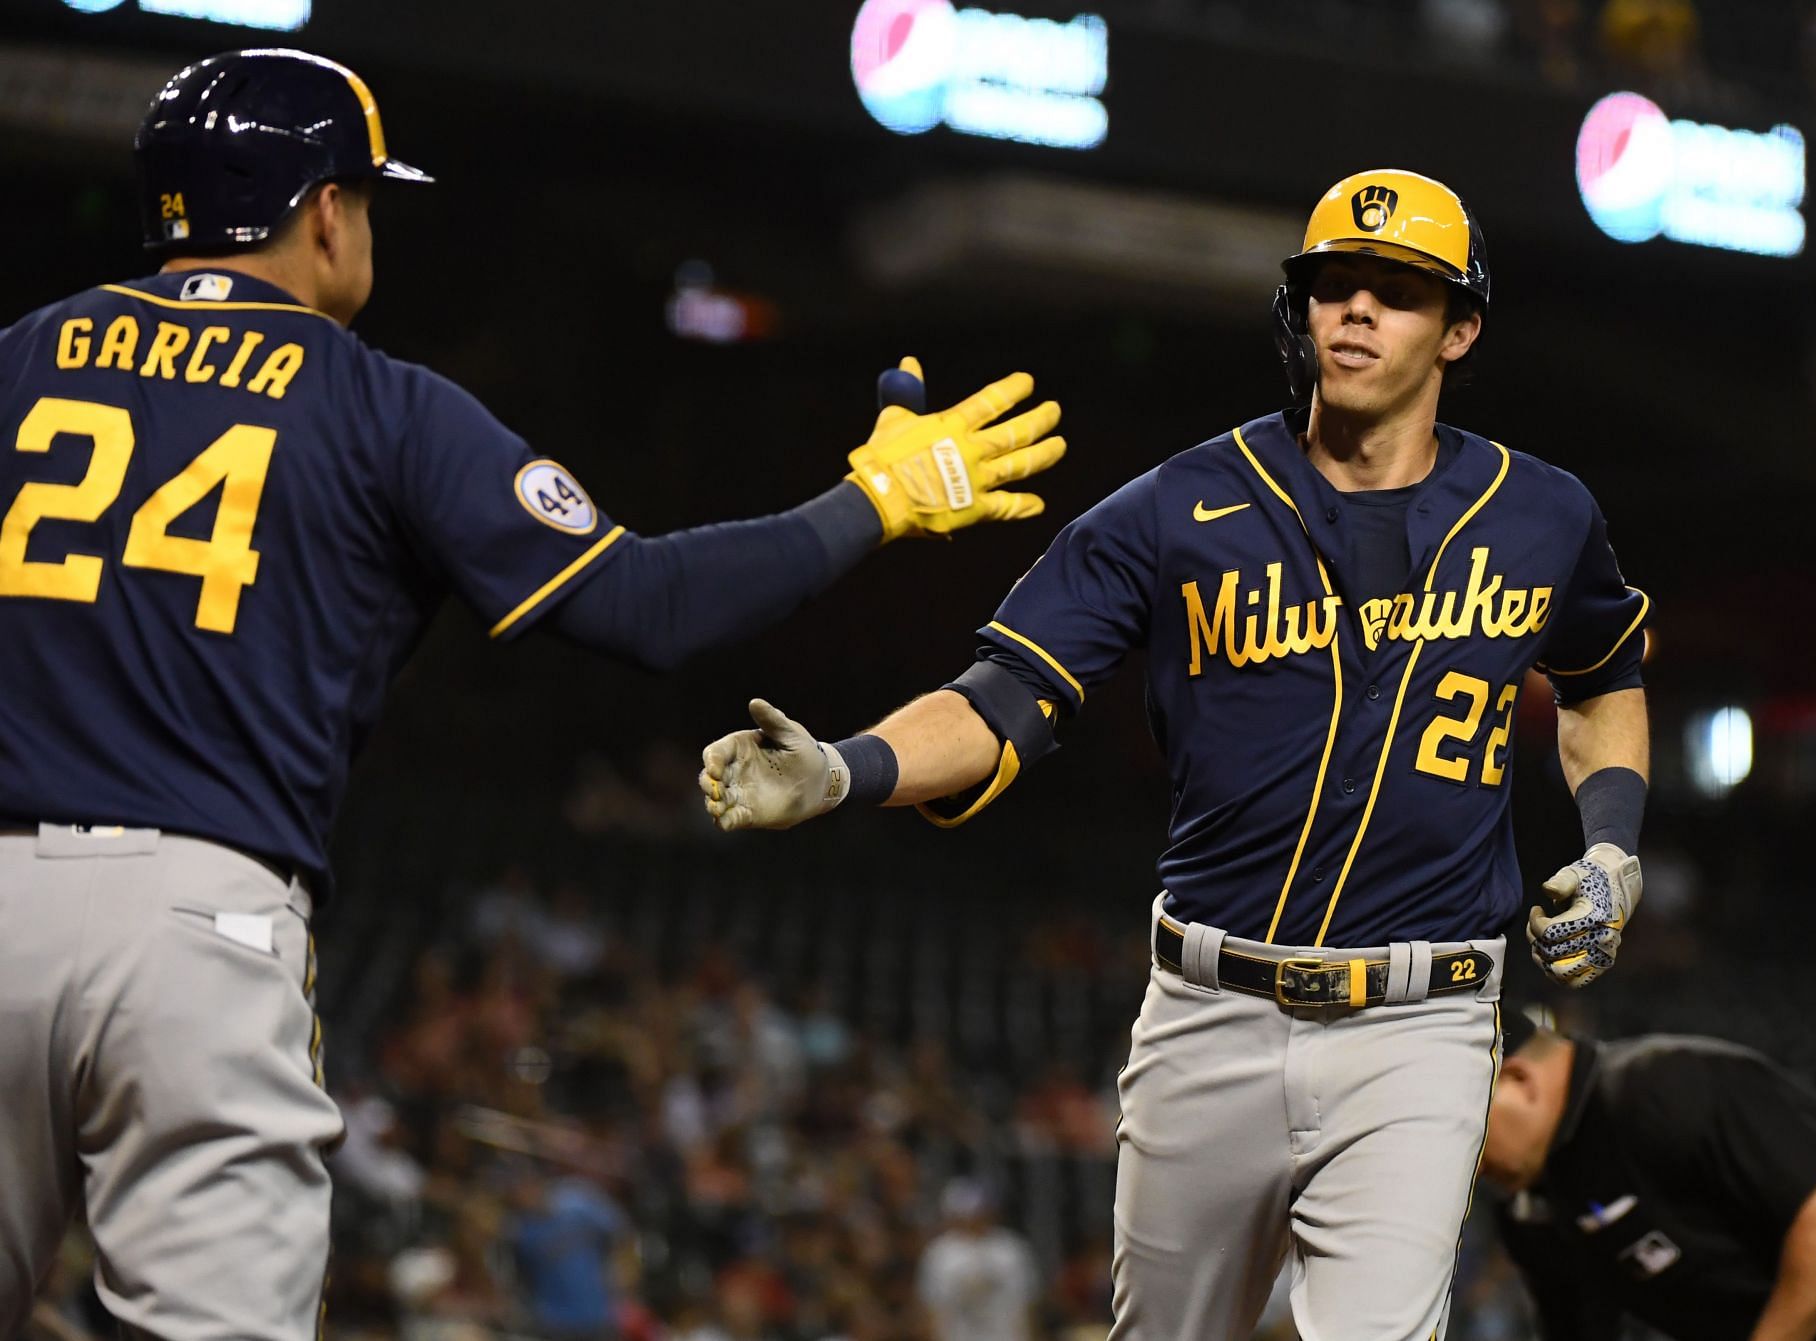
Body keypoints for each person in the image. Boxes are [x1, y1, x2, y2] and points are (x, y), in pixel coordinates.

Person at [0, 48, 1065, 1340]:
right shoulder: (381, 405)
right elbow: (651, 607)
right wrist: (874, 501)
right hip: (193, 927)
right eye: (366, 198)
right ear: (325, 209)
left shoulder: (22, 358)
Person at [700, 168, 1652, 1339]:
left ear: (1459, 329)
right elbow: (1005, 695)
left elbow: (1606, 676)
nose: (1355, 311)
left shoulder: (1542, 514)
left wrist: (1612, 848)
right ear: (1298, 310)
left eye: (1396, 292)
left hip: (1423, 1020)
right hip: (1212, 1011)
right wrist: (851, 766)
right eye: (1332, 285)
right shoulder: (1177, 507)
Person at [1484, 1014, 1816, 1339]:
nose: (1466, 1168)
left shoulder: (1661, 1084)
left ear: (1518, 1079)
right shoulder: (1535, 1208)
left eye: (1467, 1139)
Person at [916, 1180, 1041, 1341]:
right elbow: (933, 1309)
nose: (975, 1218)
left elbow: (1026, 1305)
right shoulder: (940, 1253)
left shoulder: (1011, 1248)